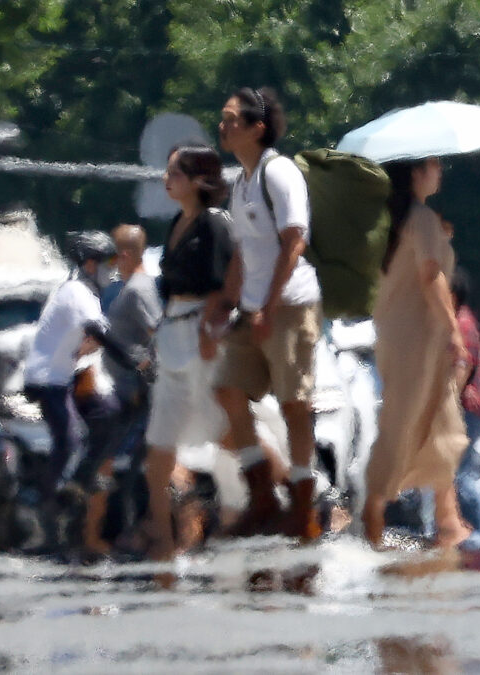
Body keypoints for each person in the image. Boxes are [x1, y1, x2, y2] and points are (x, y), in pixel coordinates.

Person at [214, 86, 323, 541]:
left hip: (292, 305)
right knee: (226, 391)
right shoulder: (239, 182)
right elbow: (243, 251)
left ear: (257, 128)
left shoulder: (279, 174)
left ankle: (303, 508)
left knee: (294, 405)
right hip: (254, 309)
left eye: (231, 119)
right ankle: (262, 495)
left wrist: (270, 307)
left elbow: (294, 240)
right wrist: (226, 304)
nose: (223, 127)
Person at [361, 157, 471, 550]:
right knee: (405, 420)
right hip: (417, 336)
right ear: (415, 173)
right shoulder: (420, 218)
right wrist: (453, 329)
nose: (441, 170)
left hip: (399, 332)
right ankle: (373, 508)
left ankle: (448, 518)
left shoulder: (399, 222)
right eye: (434, 165)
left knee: (438, 421)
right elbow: (430, 276)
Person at [144, 144, 235, 561]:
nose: (167, 180)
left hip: (201, 328)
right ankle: (165, 539)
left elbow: (222, 283)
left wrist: (209, 328)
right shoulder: (178, 222)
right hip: (173, 330)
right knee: (162, 440)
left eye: (175, 174)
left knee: (221, 433)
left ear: (200, 180)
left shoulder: (215, 223)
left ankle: (244, 512)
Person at [23, 230, 117, 548]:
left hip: (65, 375)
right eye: (108, 262)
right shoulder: (76, 291)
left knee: (108, 414)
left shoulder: (83, 291)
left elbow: (92, 337)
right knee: (70, 441)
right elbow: (99, 331)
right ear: (90, 264)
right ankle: (48, 508)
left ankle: (82, 478)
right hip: (48, 379)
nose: (112, 269)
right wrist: (134, 359)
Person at [77, 224, 162, 555]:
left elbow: (158, 331)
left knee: (113, 464)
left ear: (124, 255)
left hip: (133, 395)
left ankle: (109, 536)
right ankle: (112, 533)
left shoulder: (138, 290)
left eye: (112, 254)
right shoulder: (127, 288)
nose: (109, 262)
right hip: (125, 392)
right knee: (119, 465)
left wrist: (148, 375)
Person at [450, 267, 480, 558]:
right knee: (459, 474)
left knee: (467, 474)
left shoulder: (461, 323)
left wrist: (446, 404)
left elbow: (462, 367)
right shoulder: (457, 320)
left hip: (467, 409)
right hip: (467, 409)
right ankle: (476, 534)